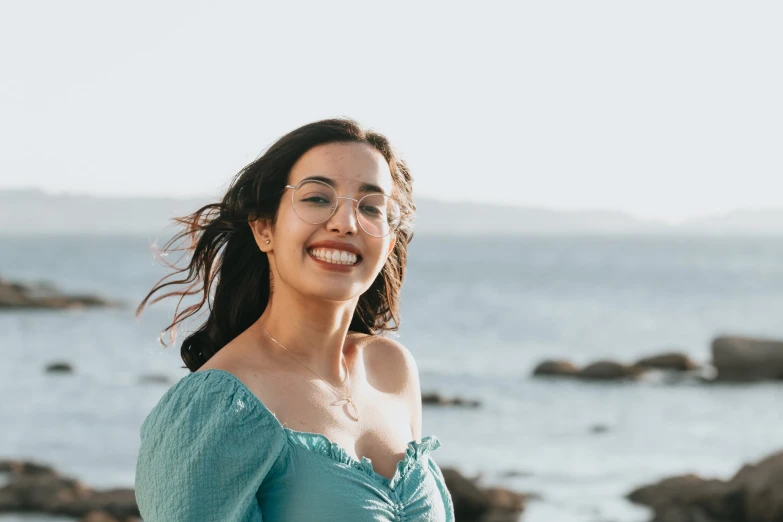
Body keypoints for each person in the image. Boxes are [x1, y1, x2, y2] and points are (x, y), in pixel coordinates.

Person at [134, 118, 455, 521]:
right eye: (318, 198)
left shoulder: (392, 369)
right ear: (265, 228)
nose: (345, 223)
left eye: (371, 207)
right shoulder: (220, 405)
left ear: (388, 242)